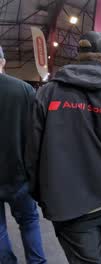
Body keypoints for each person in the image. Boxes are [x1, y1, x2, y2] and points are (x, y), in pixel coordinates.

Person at [25, 31, 101, 263]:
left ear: (80, 56)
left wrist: (40, 193)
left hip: (67, 202)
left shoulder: (47, 92)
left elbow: (32, 150)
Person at [0, 46, 47, 263]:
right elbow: (37, 133)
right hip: (19, 175)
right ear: (3, 62)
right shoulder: (24, 90)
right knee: (29, 223)